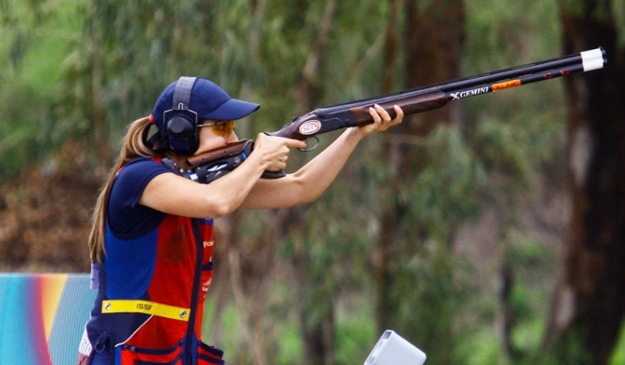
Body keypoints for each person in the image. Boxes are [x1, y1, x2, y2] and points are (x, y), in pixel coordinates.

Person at [77, 76, 404, 365]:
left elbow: (301, 187)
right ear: (182, 131)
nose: (233, 138)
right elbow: (217, 202)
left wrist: (354, 134)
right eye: (221, 128)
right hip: (128, 350)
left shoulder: (197, 181)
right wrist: (259, 157)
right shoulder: (141, 177)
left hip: (170, 350)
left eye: (233, 127)